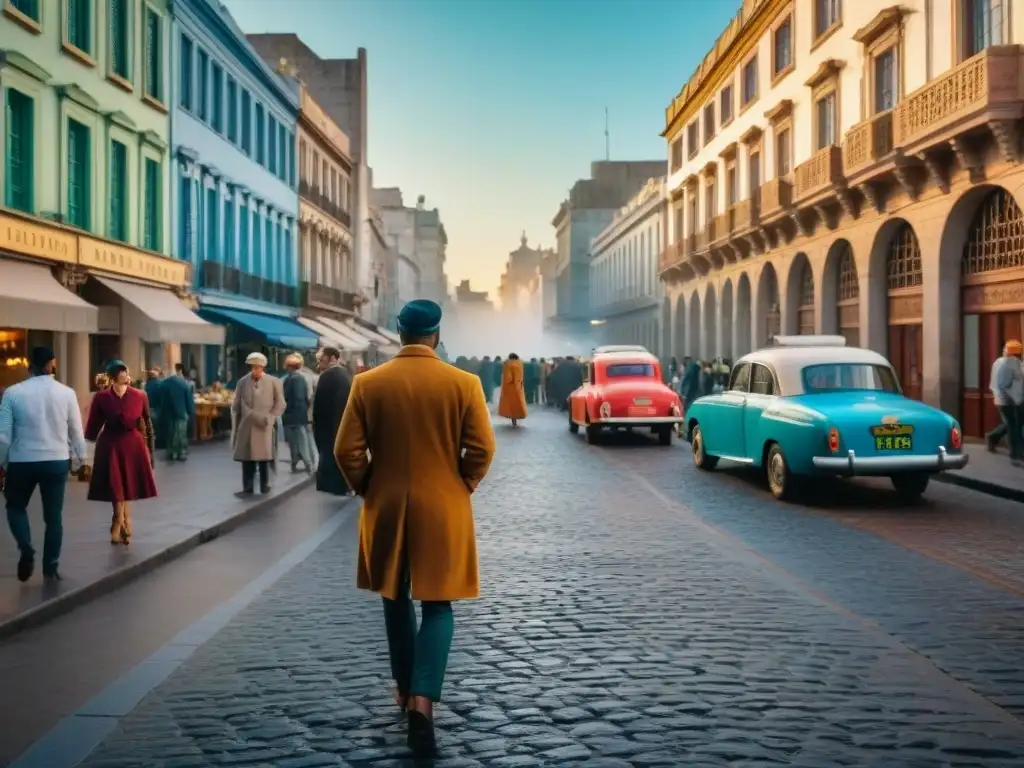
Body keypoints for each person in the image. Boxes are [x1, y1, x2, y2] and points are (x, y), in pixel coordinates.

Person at [334, 299, 495, 757]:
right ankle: (424, 700)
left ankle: (404, 691)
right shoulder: (463, 383)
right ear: (436, 336)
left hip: (386, 505)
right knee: (439, 605)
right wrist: (462, 482)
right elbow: (481, 448)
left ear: (400, 333)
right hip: (443, 506)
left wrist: (370, 486)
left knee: (394, 597)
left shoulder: (368, 383)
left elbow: (346, 450)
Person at [0, 346, 86, 581]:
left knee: (15, 506)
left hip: (22, 461)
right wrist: (81, 459)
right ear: (51, 365)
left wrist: (1, 462)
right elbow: (77, 431)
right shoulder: (67, 393)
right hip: (56, 460)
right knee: (54, 517)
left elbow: (3, 436)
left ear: (30, 366)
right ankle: (51, 567)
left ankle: (26, 547)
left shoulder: (12, 393)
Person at [85, 360, 158, 546]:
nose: (126, 374)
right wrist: (86, 445)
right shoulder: (102, 398)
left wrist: (151, 451)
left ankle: (124, 520)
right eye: (121, 371)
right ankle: (119, 521)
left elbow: (147, 423)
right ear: (113, 375)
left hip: (133, 444)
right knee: (116, 485)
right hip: (110, 444)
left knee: (128, 485)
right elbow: (93, 424)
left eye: (126, 371)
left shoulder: (140, 395)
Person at [231, 352, 286, 495]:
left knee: (264, 458)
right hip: (247, 425)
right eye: (252, 367)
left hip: (265, 425)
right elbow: (237, 403)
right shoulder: (242, 382)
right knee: (247, 458)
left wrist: (272, 417)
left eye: (257, 367)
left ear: (262, 367)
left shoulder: (274, 382)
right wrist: (237, 415)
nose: (255, 370)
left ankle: (264, 485)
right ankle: (247, 487)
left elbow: (280, 403)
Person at [312, 346, 353, 496]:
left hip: (329, 428)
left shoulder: (328, 376)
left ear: (332, 359)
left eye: (321, 359)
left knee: (330, 460)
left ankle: (337, 487)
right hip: (337, 427)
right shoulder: (345, 375)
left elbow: (321, 407)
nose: (319, 363)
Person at [986, 339, 1024, 463]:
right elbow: (1005, 384)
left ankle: (993, 437)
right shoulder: (1009, 364)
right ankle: (1016, 453)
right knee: (1013, 426)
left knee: (1012, 423)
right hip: (1009, 399)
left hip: (1007, 398)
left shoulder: (1000, 361)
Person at [282, 354, 314, 474]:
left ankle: (303, 463)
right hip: (300, 415)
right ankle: (303, 463)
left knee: (295, 441)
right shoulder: (301, 379)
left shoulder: (291, 379)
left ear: (289, 366)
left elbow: (293, 398)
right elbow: (306, 399)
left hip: (292, 416)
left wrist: (286, 409)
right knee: (300, 439)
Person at [162, 363, 195, 462]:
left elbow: (163, 400)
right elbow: (188, 400)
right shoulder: (183, 384)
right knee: (181, 433)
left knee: (171, 433)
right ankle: (182, 452)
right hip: (181, 411)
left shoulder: (164, 384)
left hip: (169, 412)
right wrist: (190, 411)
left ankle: (172, 452)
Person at [498, 353, 529, 427]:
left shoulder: (508, 365)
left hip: (510, 388)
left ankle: (513, 420)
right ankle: (517, 417)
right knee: (518, 403)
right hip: (519, 386)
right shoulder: (520, 364)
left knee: (511, 405)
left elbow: (509, 377)